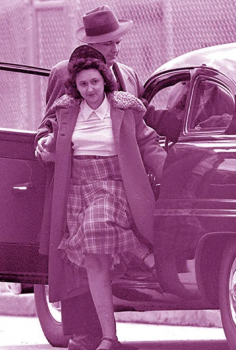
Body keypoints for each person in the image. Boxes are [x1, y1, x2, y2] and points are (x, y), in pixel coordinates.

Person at [35, 6, 163, 350]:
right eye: (108, 42)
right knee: (82, 259)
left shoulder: (131, 75)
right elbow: (50, 124)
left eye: (117, 40)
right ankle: (85, 333)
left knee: (96, 238)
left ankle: (104, 331)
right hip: (76, 178)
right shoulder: (66, 72)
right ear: (92, 44)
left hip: (124, 180)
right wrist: (44, 145)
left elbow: (144, 124)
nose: (115, 48)